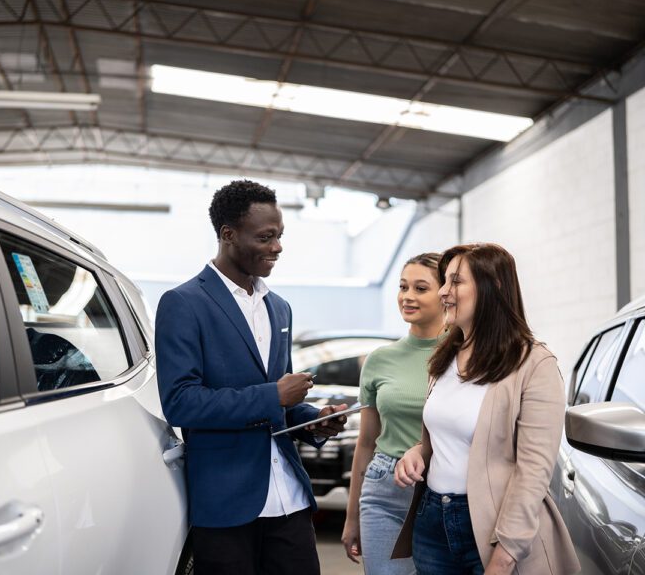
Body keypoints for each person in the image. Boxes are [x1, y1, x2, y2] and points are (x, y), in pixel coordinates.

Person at [155, 179, 347, 575]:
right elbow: (181, 402)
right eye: (266, 237)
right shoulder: (183, 304)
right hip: (226, 504)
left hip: (290, 498)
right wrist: (273, 396)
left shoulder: (280, 309)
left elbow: (280, 403)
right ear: (228, 235)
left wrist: (313, 420)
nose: (277, 247)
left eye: (279, 236)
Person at [392, 243, 580, 574]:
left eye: (455, 282)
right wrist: (418, 453)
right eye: (444, 282)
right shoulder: (445, 356)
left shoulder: (534, 363)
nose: (444, 292)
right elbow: (449, 438)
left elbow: (533, 471)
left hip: (494, 529)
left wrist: (505, 554)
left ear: (492, 288)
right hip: (432, 519)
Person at [342, 253, 445, 574]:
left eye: (421, 288)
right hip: (384, 490)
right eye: (403, 287)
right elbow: (367, 442)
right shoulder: (379, 360)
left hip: (444, 489)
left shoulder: (466, 357)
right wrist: (352, 516)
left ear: (446, 295)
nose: (408, 297)